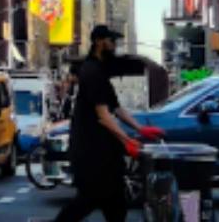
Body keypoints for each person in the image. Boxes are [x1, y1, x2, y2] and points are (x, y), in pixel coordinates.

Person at [50, 26, 164, 222]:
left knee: (115, 205)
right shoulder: (91, 71)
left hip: (104, 152)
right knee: (89, 200)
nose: (114, 46)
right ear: (100, 42)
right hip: (91, 152)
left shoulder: (100, 71)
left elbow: (116, 108)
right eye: (111, 41)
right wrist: (127, 140)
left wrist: (140, 128)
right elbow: (103, 116)